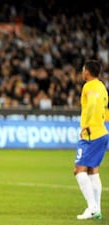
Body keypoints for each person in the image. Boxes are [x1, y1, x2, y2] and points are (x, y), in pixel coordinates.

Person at [74, 60, 108, 220]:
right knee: (93, 171)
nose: (82, 72)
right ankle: (97, 210)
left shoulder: (89, 86)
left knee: (79, 170)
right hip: (102, 132)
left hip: (91, 134)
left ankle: (92, 207)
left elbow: (93, 103)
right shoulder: (102, 86)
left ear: (87, 72)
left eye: (83, 69)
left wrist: (85, 124)